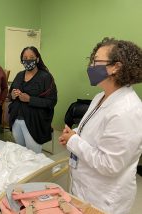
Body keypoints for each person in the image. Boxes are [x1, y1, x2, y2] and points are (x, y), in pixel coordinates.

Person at [59, 37, 142, 214]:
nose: (91, 66)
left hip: (104, 198)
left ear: (115, 67)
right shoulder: (100, 97)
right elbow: (93, 130)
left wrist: (73, 141)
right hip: (84, 185)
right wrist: (74, 133)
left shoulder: (127, 111)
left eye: (96, 61)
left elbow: (109, 165)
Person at [8, 46, 57, 153]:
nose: (28, 60)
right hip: (16, 120)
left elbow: (51, 101)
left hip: (34, 122)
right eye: (25, 58)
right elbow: (10, 95)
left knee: (33, 156)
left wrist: (30, 99)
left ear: (37, 59)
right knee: (20, 152)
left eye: (31, 57)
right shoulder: (19, 75)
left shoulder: (45, 77)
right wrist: (12, 95)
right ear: (21, 60)